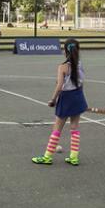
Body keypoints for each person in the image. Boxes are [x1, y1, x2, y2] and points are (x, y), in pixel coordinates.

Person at [32, 38, 88, 166]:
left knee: (57, 128)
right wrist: (81, 99)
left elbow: (59, 86)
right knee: (74, 127)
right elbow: (82, 83)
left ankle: (47, 156)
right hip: (78, 96)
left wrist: (53, 99)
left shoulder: (63, 67)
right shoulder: (80, 64)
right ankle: (74, 157)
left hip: (66, 98)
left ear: (65, 51)